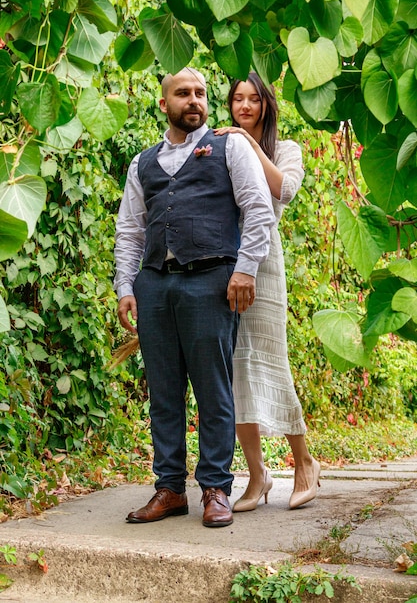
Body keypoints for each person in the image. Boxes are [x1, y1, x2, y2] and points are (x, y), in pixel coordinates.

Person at [114, 68, 275, 528]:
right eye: (183, 93)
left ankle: (215, 489)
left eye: (201, 93)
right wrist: (127, 287)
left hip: (212, 281)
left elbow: (259, 208)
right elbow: (130, 230)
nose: (194, 100)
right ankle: (168, 489)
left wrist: (245, 270)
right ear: (164, 104)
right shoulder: (142, 162)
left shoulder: (231, 147)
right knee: (163, 392)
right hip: (155, 285)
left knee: (213, 390)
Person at [215, 71, 320, 511]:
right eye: (237, 99)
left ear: (266, 105)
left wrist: (250, 145)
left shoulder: (286, 149)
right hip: (225, 261)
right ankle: (257, 476)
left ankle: (304, 463)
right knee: (235, 371)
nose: (244, 106)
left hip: (265, 262)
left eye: (252, 99)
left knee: (273, 362)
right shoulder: (219, 147)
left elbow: (286, 189)